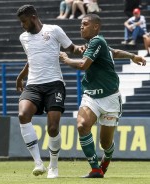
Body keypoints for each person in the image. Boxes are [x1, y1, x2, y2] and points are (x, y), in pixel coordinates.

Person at [59, 14, 146, 178]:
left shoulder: (98, 41)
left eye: (85, 24)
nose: (81, 27)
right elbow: (115, 52)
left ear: (96, 27)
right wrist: (133, 56)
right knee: (82, 125)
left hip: (110, 98)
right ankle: (95, 169)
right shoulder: (94, 43)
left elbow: (84, 65)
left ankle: (105, 161)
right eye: (80, 25)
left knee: (105, 143)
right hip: (91, 96)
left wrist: (66, 59)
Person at [16, 5, 84, 179]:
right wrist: (20, 77)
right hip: (33, 85)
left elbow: (71, 48)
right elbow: (31, 60)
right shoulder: (23, 38)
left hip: (54, 84)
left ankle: (53, 165)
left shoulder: (54, 30)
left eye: (24, 21)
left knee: (52, 128)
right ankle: (38, 163)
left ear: (33, 17)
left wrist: (80, 49)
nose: (22, 25)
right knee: (23, 115)